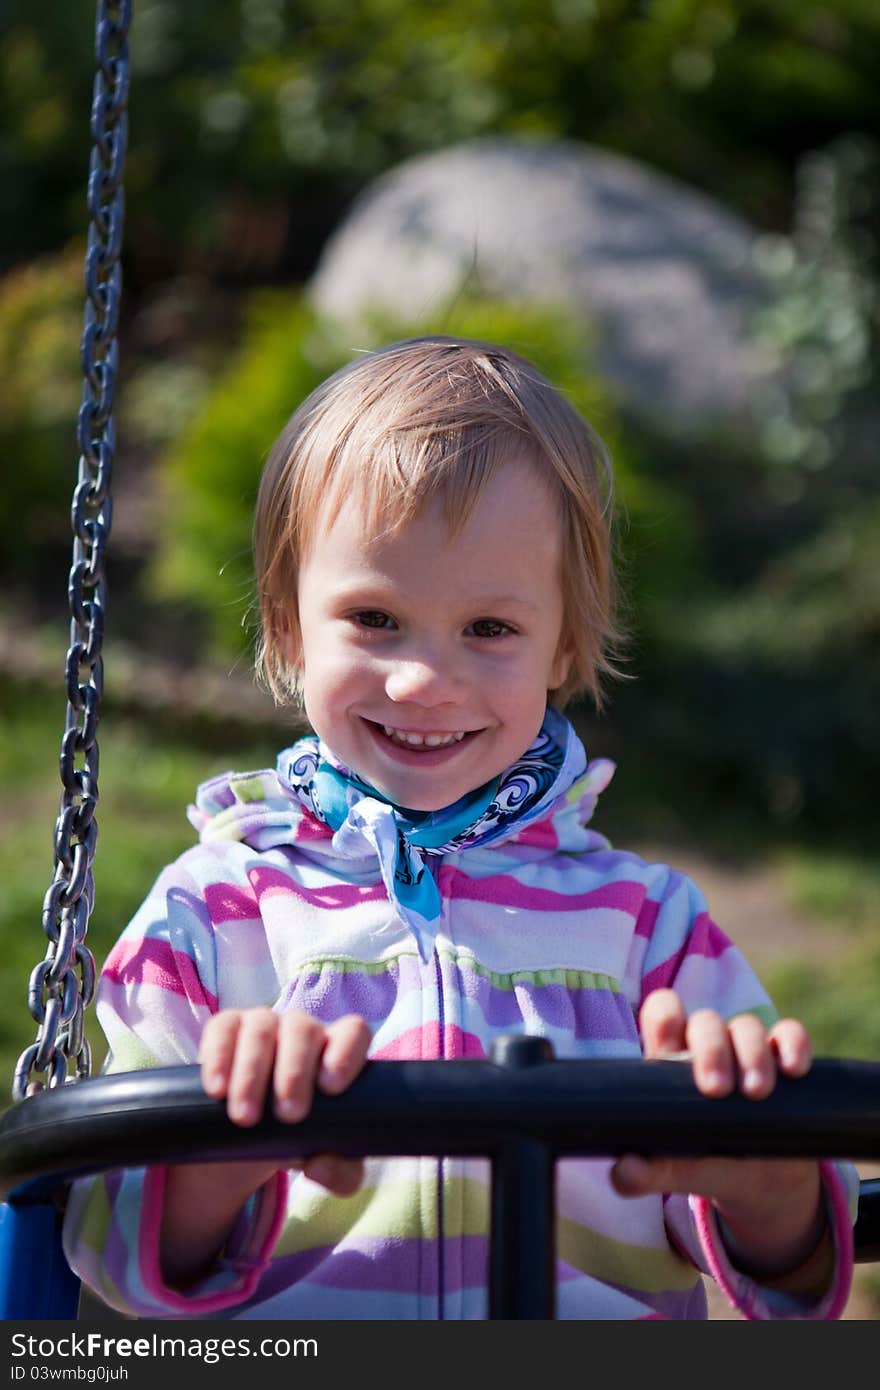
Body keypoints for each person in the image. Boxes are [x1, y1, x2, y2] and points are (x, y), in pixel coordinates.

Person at [63, 336, 857, 1320]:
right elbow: (104, 1239)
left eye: (489, 629)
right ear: (285, 624)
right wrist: (220, 1165)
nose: (423, 681)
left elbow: (794, 1264)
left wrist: (767, 1187)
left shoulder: (649, 930)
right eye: (374, 618)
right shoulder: (213, 913)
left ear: (561, 643)